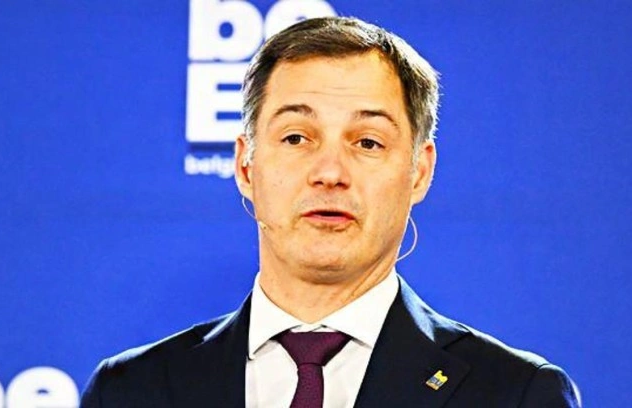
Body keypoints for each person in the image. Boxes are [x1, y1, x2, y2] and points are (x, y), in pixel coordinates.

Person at [81, 16, 581, 408]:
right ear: (246, 166)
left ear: (419, 172)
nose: (330, 172)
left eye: (367, 142)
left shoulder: (515, 393)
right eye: (297, 138)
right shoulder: (131, 390)